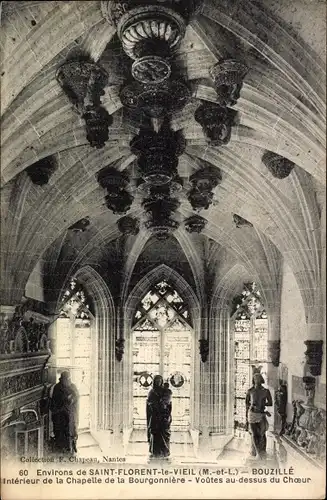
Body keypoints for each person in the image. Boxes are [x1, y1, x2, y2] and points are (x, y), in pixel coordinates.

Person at [50, 371, 79, 454]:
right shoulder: (57, 387)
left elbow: (76, 396)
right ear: (62, 379)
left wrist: (71, 399)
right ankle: (62, 449)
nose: (67, 381)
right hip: (60, 414)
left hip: (70, 414)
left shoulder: (72, 386)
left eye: (68, 379)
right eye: (65, 379)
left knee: (71, 431)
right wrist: (64, 401)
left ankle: (72, 447)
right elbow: (55, 401)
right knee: (61, 432)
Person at [245, 373, 272, 460]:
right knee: (254, 434)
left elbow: (270, 403)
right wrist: (246, 418)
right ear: (253, 380)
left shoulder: (266, 391)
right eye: (255, 378)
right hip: (252, 414)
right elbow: (246, 404)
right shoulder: (250, 391)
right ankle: (257, 453)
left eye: (258, 378)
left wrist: (263, 403)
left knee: (262, 433)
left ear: (261, 379)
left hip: (261, 414)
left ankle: (263, 451)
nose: (257, 380)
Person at [146, 376, 172, 460]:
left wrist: (163, 404)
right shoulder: (151, 392)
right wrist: (156, 405)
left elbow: (167, 403)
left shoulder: (166, 392)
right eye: (156, 381)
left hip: (164, 417)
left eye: (159, 381)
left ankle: (164, 452)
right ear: (154, 382)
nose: (158, 382)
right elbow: (150, 402)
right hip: (155, 417)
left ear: (162, 381)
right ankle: (155, 452)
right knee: (155, 434)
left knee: (164, 434)